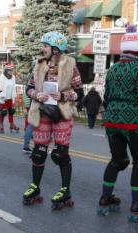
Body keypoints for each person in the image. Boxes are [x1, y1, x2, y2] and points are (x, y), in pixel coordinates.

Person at [97, 26, 138, 222]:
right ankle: (137, 203)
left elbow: (107, 97)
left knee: (117, 161)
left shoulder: (112, 69)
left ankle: (105, 198)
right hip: (133, 123)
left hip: (112, 121)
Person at [22, 31, 83, 210]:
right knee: (39, 152)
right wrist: (36, 94)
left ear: (56, 49)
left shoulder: (71, 64)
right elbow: (29, 88)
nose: (43, 49)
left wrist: (64, 95)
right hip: (42, 112)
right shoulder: (38, 64)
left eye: (46, 46)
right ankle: (35, 187)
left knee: (60, 154)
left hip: (62, 113)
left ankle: (65, 190)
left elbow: (80, 93)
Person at [0, 63, 19, 133]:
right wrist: (2, 97)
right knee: (3, 112)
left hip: (10, 98)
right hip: (3, 98)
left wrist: (14, 98)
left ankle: (12, 124)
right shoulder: (2, 77)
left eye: (12, 70)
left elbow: (14, 88)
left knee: (11, 112)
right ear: (6, 70)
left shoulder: (13, 77)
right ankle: (1, 126)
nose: (11, 72)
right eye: (9, 70)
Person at [22, 61, 36, 153]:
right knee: (32, 125)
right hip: (33, 100)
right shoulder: (35, 74)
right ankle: (29, 146)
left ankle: (26, 146)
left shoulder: (30, 74)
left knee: (31, 124)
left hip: (30, 99)